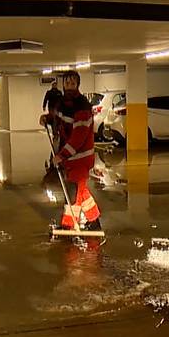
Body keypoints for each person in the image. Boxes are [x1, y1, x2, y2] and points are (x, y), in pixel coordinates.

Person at [52, 70, 101, 232]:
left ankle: (68, 225)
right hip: (70, 158)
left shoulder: (82, 106)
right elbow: (58, 120)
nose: (69, 86)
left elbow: (78, 137)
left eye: (72, 83)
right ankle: (94, 221)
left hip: (80, 158)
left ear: (77, 84)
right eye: (67, 83)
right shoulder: (62, 103)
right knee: (81, 191)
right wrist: (47, 118)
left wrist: (62, 155)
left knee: (73, 193)